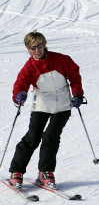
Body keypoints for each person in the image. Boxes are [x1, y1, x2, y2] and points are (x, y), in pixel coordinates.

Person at [8, 32, 84, 189]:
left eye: (40, 46)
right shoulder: (30, 66)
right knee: (33, 138)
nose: (38, 50)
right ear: (28, 49)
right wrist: (19, 95)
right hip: (42, 105)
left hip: (62, 106)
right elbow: (20, 84)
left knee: (51, 137)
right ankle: (16, 171)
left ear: (45, 44)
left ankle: (45, 172)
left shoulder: (62, 59)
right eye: (33, 47)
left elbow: (75, 76)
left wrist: (77, 94)